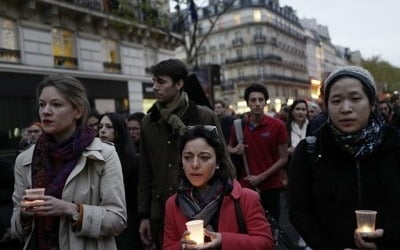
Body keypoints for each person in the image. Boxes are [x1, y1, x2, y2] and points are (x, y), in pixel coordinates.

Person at [289, 66, 400, 250]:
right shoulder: (310, 150)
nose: (345, 108)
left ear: (372, 103)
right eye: (336, 100)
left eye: (355, 99)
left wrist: (386, 237)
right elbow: (299, 211)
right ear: (327, 106)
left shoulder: (395, 144)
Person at [11, 74, 127, 250]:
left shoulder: (104, 155)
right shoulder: (25, 160)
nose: (46, 111)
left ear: (77, 111)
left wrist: (71, 210)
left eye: (56, 104)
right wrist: (24, 216)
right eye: (42, 104)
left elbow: (117, 220)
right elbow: (16, 229)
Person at [138, 59, 223, 249]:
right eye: (153, 81)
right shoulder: (148, 123)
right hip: (163, 213)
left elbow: (223, 163)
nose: (154, 87)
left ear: (179, 84)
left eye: (161, 82)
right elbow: (145, 172)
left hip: (205, 208)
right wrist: (143, 215)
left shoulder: (204, 116)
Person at [163, 125, 273, 250]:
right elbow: (168, 246)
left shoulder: (246, 198)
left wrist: (222, 240)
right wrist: (182, 246)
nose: (194, 164)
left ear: (218, 162)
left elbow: (266, 243)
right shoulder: (173, 204)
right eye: (187, 157)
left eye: (204, 157)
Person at [228, 83, 289, 222]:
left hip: (271, 186)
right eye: (253, 100)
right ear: (248, 103)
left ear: (265, 102)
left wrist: (261, 177)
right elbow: (228, 148)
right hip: (245, 186)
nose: (257, 104)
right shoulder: (238, 126)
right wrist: (234, 149)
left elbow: (283, 158)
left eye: (261, 100)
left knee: (272, 226)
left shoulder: (277, 125)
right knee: (248, 224)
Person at [98, 112, 141, 250]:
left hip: (128, 220)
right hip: (102, 220)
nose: (103, 130)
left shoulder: (132, 159)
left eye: (109, 127)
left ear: (119, 130)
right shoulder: (95, 157)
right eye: (100, 127)